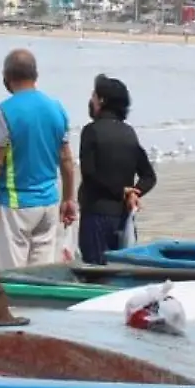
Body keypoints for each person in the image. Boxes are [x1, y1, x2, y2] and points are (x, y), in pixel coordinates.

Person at [0, 49, 77, 270]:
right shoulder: (57, 109)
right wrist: (69, 198)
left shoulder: (3, 112)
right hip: (48, 204)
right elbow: (66, 160)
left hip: (15, 206)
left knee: (11, 277)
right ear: (35, 75)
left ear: (6, 77)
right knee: (42, 277)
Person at [77, 74, 156, 264]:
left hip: (96, 216)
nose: (91, 100)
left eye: (94, 96)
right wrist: (134, 192)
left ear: (102, 101)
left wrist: (121, 191)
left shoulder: (91, 131)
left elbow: (89, 174)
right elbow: (149, 176)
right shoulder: (129, 133)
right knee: (121, 269)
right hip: (123, 216)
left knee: (96, 272)